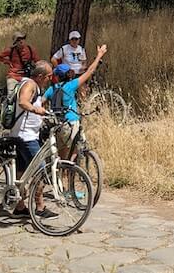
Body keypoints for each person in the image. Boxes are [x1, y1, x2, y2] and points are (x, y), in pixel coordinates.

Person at [9, 60, 55, 217]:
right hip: (26, 136)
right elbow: (23, 102)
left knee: (22, 171)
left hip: (23, 134)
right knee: (41, 170)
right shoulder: (30, 85)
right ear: (41, 76)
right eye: (49, 76)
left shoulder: (32, 85)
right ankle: (40, 207)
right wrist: (37, 110)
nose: (50, 79)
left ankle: (20, 206)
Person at [45, 44, 108, 158]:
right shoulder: (71, 85)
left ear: (57, 76)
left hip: (58, 123)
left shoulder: (51, 89)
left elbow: (41, 102)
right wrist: (99, 55)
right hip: (72, 121)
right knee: (75, 147)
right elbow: (89, 71)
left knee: (62, 153)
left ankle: (64, 170)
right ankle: (70, 169)